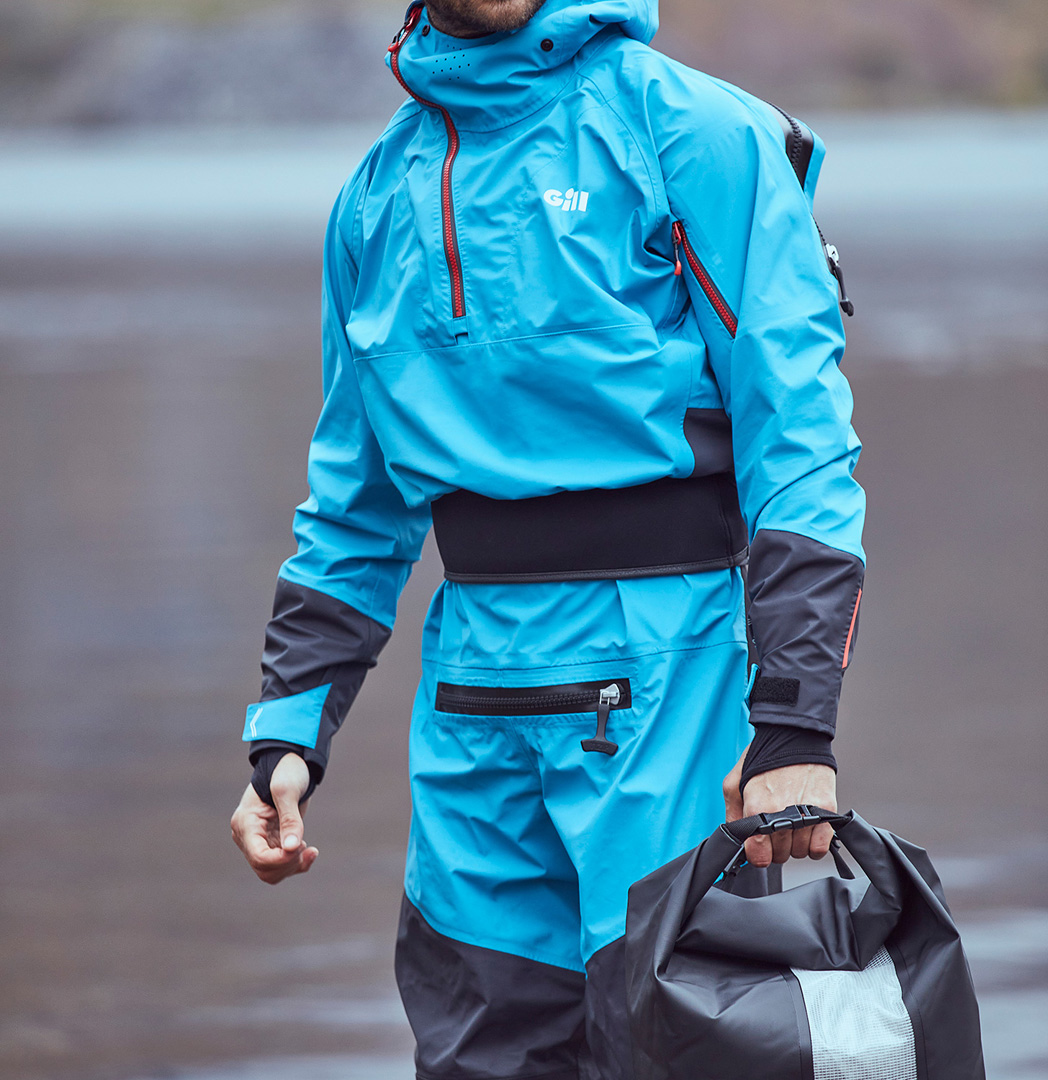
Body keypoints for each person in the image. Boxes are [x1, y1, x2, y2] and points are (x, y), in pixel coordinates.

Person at [230, 1, 866, 1076]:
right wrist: (289, 734)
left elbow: (798, 442)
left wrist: (795, 732)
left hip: (676, 676)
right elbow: (355, 494)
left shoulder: (694, 134)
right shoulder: (373, 198)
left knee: (680, 1046)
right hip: (470, 695)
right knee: (480, 1052)